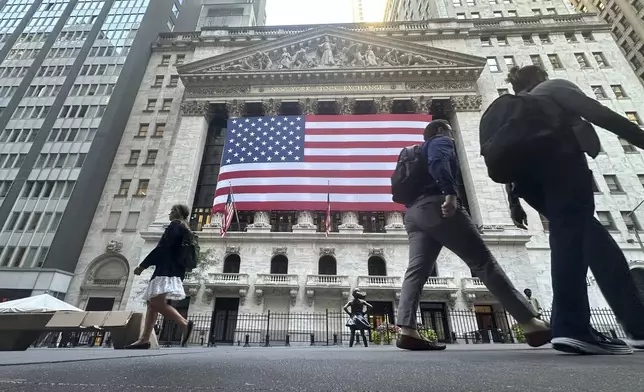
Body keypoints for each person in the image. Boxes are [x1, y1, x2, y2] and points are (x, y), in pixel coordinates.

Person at [505, 65, 644, 354]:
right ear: (540, 78)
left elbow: (507, 156)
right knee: (570, 243)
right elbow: (599, 114)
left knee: (599, 248)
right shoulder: (553, 87)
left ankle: (637, 326)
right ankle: (571, 328)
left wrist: (514, 203)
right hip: (563, 168)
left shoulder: (514, 108)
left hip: (530, 187)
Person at [396, 119, 551, 351]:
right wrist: (450, 194)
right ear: (440, 131)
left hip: (413, 215)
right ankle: (530, 323)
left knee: (416, 272)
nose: (453, 136)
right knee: (483, 261)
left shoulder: (412, 154)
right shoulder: (439, 141)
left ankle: (407, 330)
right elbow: (439, 162)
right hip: (438, 206)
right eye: (450, 132)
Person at [125, 204, 195, 349]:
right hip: (172, 269)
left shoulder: (175, 226)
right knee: (152, 304)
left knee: (156, 303)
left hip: (167, 270)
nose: (169, 213)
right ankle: (144, 339)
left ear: (177, 213)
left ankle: (184, 323)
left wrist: (143, 265)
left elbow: (163, 248)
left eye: (172, 211)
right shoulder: (184, 228)